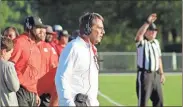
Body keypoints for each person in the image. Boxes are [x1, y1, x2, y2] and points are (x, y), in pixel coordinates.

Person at [55, 12, 105, 106]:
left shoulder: (91, 50)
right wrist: (68, 104)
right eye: (99, 28)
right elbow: (61, 78)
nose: (103, 32)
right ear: (88, 28)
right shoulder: (74, 47)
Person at [9, 16, 47, 106]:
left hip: (32, 94)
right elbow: (9, 66)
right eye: (38, 28)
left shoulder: (36, 47)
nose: (42, 31)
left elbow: (34, 75)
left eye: (42, 28)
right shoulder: (19, 42)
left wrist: (36, 92)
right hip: (20, 91)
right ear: (29, 27)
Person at [135, 13, 165, 107]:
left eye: (155, 31)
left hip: (155, 75)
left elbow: (159, 58)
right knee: (143, 102)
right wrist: (148, 22)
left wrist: (161, 73)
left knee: (159, 101)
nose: (153, 32)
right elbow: (139, 35)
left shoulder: (156, 42)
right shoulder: (142, 43)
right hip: (145, 75)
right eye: (151, 30)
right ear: (146, 32)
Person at [36, 25, 59, 107]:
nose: (50, 35)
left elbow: (55, 66)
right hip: (37, 87)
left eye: (51, 34)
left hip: (47, 89)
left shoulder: (51, 48)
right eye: (48, 33)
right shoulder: (37, 46)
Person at [0, 37, 20, 106]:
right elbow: (15, 87)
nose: (11, 55)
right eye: (10, 52)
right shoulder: (8, 66)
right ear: (4, 51)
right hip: (7, 103)